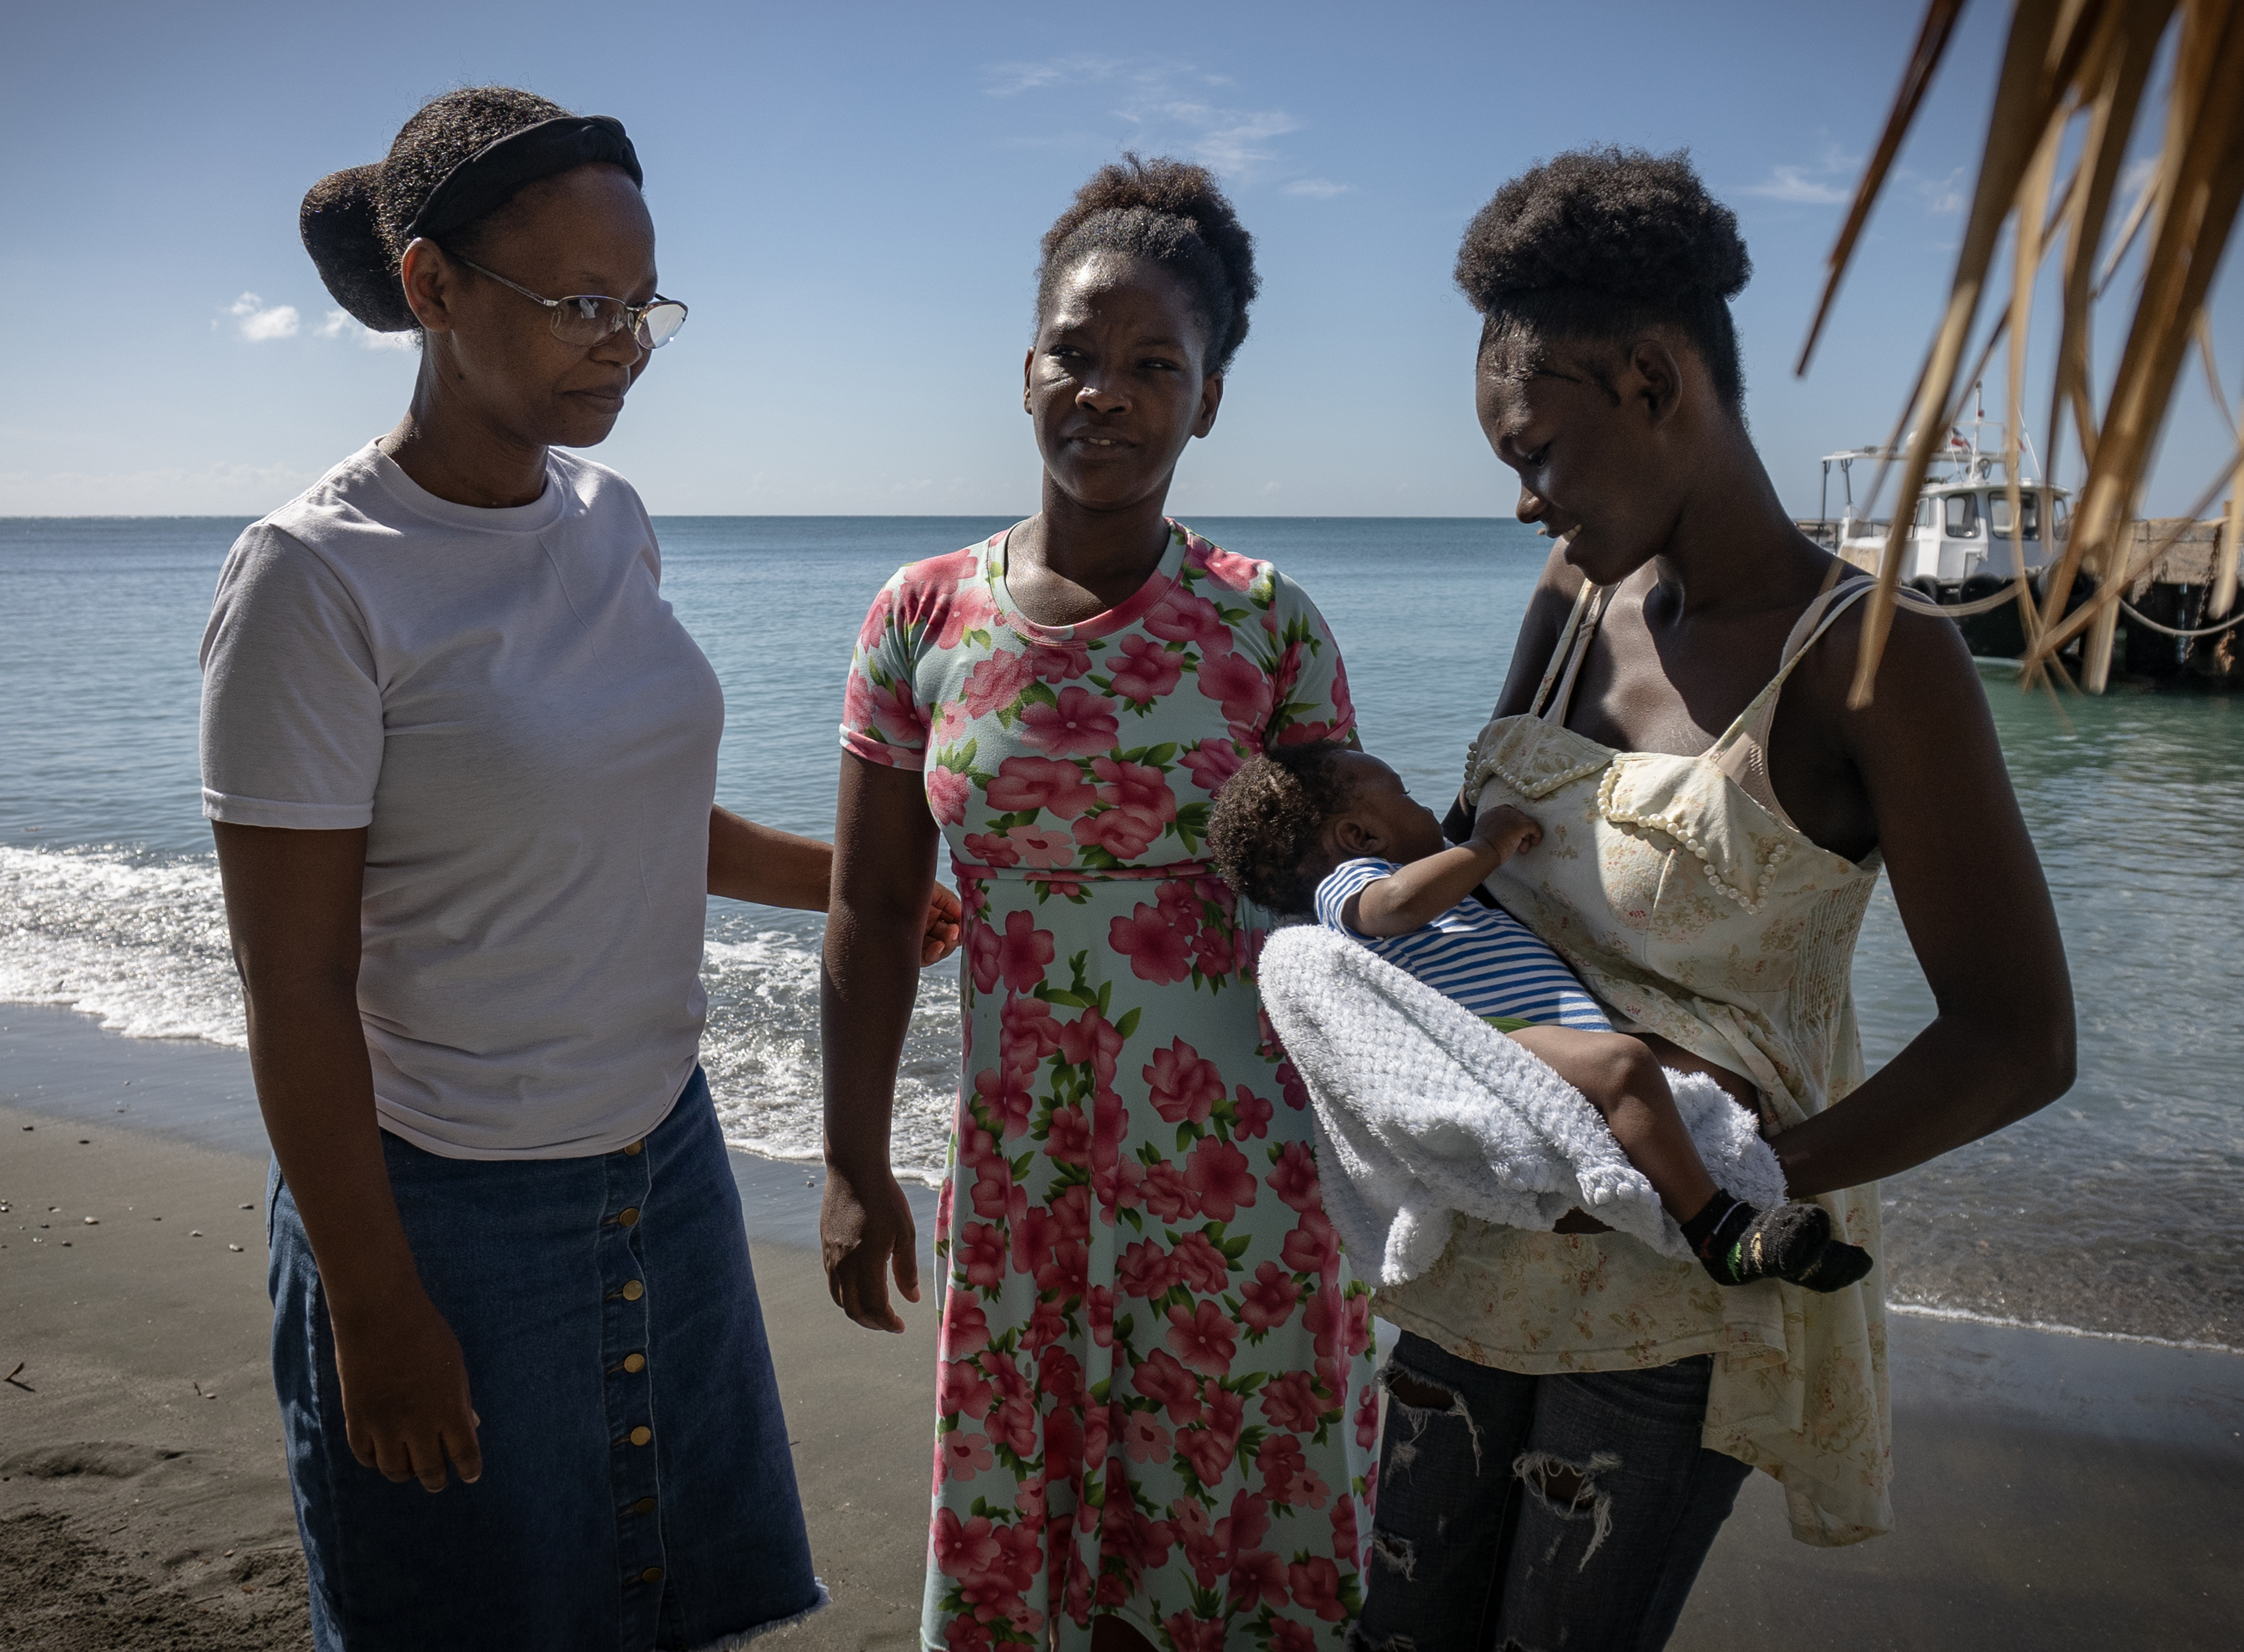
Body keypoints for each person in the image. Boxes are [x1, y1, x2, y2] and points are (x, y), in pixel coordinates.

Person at [200, 85, 956, 1652]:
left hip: (660, 1160)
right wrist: (375, 1301)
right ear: (432, 289)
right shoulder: (317, 579)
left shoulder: (610, 519)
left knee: (670, 1615)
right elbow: (295, 982)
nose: (621, 342)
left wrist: (852, 886)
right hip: (443, 1204)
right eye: (581, 305)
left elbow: (624, 819)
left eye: (643, 305)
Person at [1350, 148, 2076, 1651]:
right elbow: (1494, 900)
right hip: (1480, 1240)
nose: (1526, 501)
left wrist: (1734, 1188)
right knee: (1396, 1638)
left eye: (1539, 453)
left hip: (1676, 1302)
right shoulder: (1572, 607)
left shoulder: (1877, 663)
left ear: (1656, 381)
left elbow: (2016, 1039)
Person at [819, 156, 1378, 1648]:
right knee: (1037, 1546)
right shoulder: (922, 618)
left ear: (1208, 399)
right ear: (1024, 372)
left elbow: (1359, 893)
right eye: (1077, 352)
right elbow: (874, 910)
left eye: (1155, 366)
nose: (1108, 393)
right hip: (1026, 1186)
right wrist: (853, 1160)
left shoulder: (1268, 623)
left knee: (1235, 1546)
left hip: (1245, 1187)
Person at [1203, 741, 1869, 1292]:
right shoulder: (1351, 887)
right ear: (1359, 835)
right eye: (1404, 792)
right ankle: (1720, 1232)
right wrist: (1488, 845)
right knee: (1626, 1064)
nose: (1425, 805)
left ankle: (1772, 1227)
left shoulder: (1444, 897)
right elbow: (1399, 905)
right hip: (1499, 1044)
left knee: (1688, 1077)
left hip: (1543, 1038)